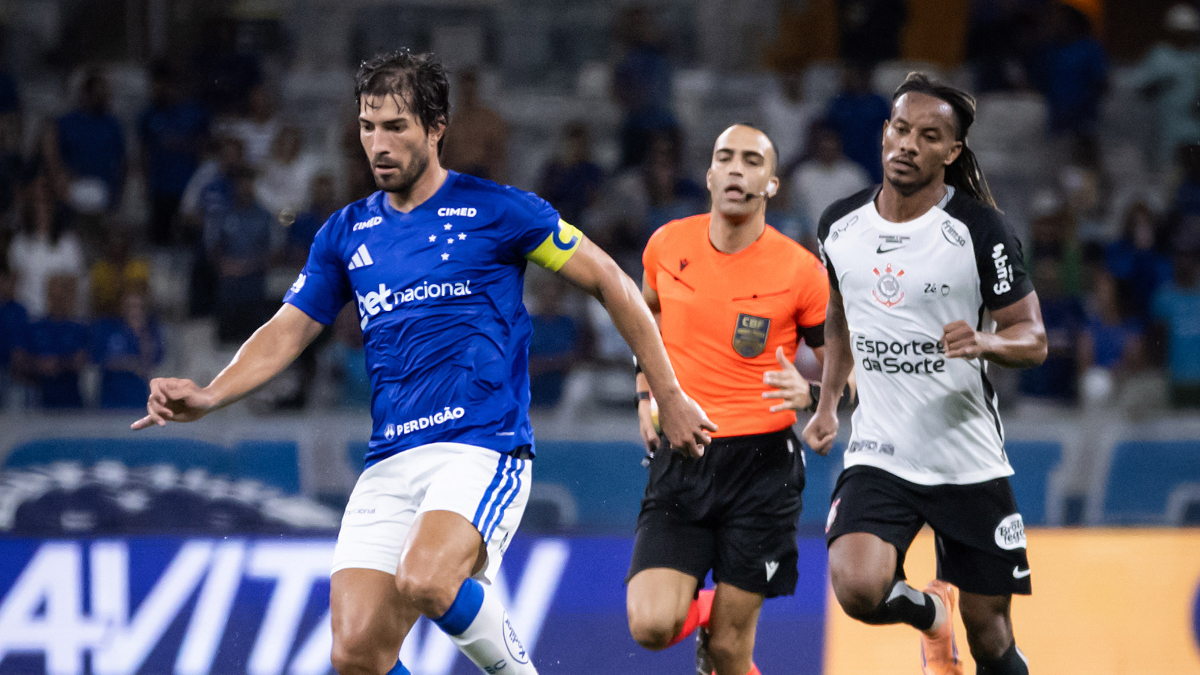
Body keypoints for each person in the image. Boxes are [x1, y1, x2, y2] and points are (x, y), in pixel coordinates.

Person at [131, 49, 714, 675]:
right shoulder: (345, 234)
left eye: (396, 126)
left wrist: (669, 393)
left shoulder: (498, 210)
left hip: (480, 448)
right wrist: (212, 394)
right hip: (390, 461)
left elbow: (611, 283)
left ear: (436, 128)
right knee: (356, 654)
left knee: (428, 578)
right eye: (367, 126)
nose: (377, 144)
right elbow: (288, 330)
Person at [804, 73, 1047, 675]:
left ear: (952, 151)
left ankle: (960, 624)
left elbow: (1034, 339)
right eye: (901, 129)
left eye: (928, 135)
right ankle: (929, 614)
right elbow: (839, 317)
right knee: (858, 587)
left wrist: (986, 340)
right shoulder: (839, 225)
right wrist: (829, 402)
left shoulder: (979, 230)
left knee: (991, 639)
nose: (908, 144)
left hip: (966, 458)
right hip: (882, 451)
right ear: (885, 132)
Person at [626, 124, 833, 675]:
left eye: (752, 161)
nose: (737, 169)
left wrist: (813, 393)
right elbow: (647, 320)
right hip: (684, 455)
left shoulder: (801, 272)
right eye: (726, 158)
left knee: (727, 652)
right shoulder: (667, 245)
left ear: (771, 184)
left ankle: (727, 622)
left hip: (763, 469)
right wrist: (647, 392)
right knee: (650, 626)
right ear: (711, 175)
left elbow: (851, 374)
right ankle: (717, 603)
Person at [790, 124, 872, 235]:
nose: (827, 150)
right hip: (809, 240)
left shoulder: (854, 175)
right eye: (824, 146)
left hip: (846, 238)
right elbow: (794, 212)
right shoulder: (803, 174)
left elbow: (865, 213)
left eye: (831, 145)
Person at [439, 69, 509, 183]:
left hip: (482, 175)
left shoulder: (489, 120)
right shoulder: (453, 122)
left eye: (471, 89)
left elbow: (498, 155)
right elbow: (446, 156)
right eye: (465, 89)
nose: (468, 93)